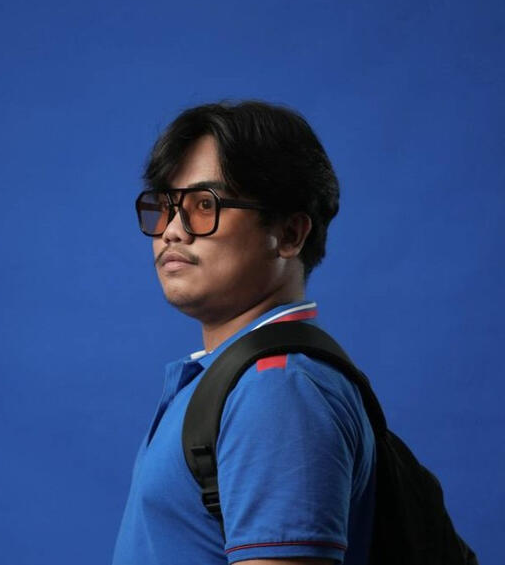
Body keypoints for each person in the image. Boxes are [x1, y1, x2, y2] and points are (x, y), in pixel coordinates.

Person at [112, 101, 375, 565]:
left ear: (289, 234)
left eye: (204, 205)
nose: (171, 231)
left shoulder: (277, 390)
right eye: (165, 206)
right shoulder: (238, 379)